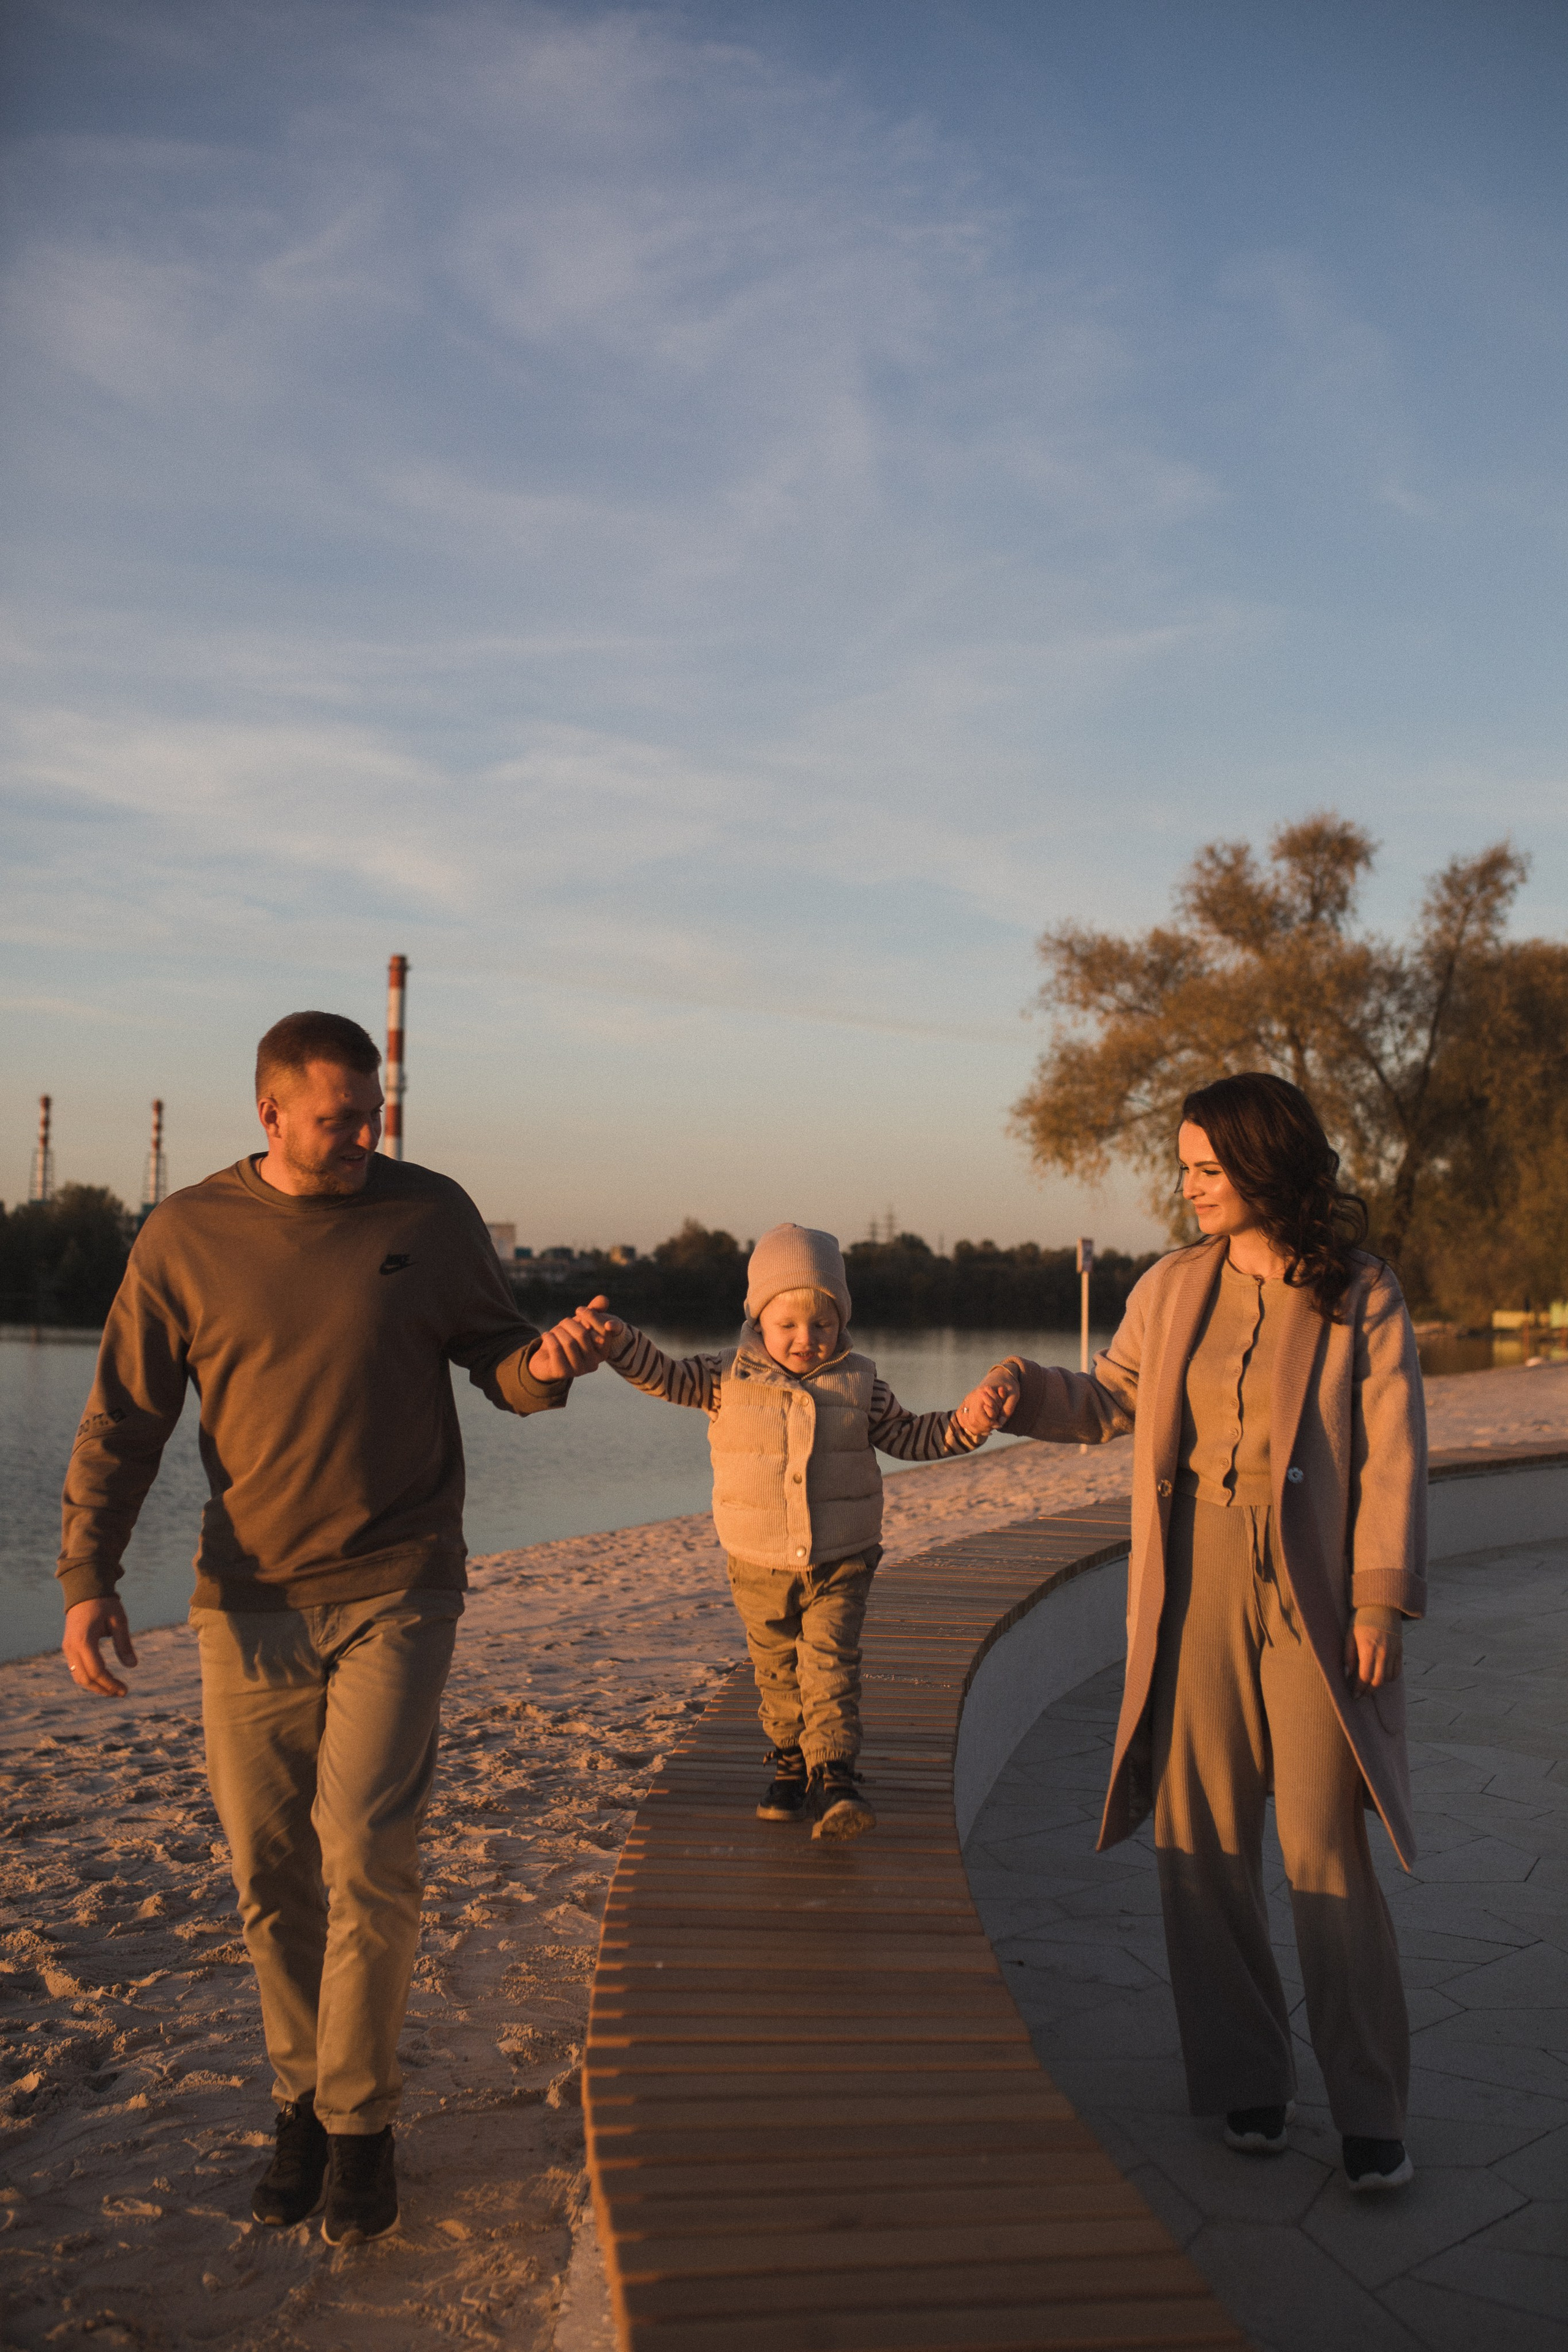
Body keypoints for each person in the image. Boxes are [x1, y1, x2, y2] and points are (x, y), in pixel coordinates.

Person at [58, 1011, 601, 2246]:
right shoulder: (187, 1236)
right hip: (244, 1600)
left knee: (366, 1848)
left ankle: (358, 2128)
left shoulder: (430, 1217)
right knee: (270, 1875)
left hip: (400, 1578)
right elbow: (124, 1418)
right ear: (268, 1116)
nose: (362, 1135)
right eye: (336, 1118)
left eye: (371, 1115)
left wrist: (552, 1361)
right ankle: (300, 2097)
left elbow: (503, 1370)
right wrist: (87, 1575)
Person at [976, 1072, 1424, 2193]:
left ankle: (1370, 2108)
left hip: (1316, 1591)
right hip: (1195, 1579)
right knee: (1203, 1844)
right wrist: (1027, 1390)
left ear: (1265, 1164)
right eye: (1184, 1168)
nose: (1190, 1188)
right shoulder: (1172, 1288)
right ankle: (1249, 2085)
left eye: (1208, 1169)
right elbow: (1112, 1401)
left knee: (1328, 1846)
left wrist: (1378, 1597)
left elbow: (1394, 1456)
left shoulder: (1363, 1294)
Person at [571, 1223, 1005, 1837]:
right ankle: (790, 1759)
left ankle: (834, 1775)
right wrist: (619, 1342)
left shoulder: (861, 1386)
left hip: (842, 1555)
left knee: (829, 1662)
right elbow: (663, 1376)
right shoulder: (722, 1377)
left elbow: (915, 1436)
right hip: (756, 1559)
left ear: (840, 1322)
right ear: (758, 1322)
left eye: (821, 1325)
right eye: (788, 1326)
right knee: (775, 1668)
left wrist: (972, 1420)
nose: (806, 1340)